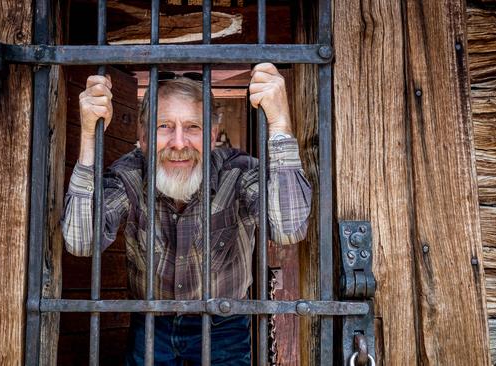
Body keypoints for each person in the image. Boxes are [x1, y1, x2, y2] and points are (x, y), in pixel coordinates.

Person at [62, 63, 312, 365]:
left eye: (193, 127)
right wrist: (89, 135)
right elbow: (81, 241)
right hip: (150, 325)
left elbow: (289, 228)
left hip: (224, 327)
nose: (179, 143)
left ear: (212, 135)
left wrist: (280, 123)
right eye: (164, 126)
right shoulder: (130, 173)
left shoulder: (238, 171)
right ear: (142, 136)